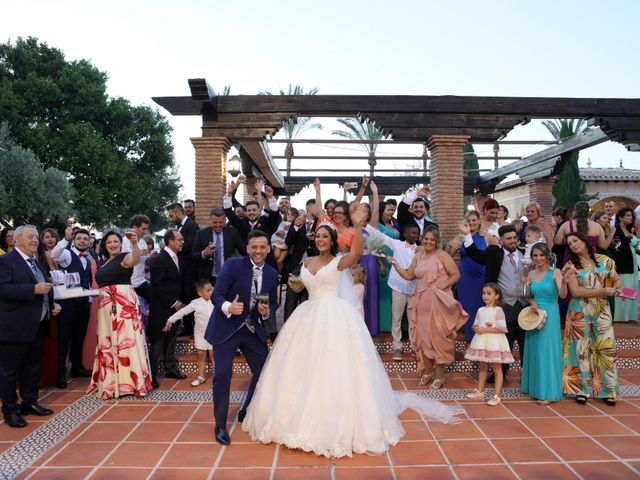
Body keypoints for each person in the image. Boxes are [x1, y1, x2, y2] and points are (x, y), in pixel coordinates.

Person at [242, 207, 463, 458]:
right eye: (318, 236)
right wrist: (297, 282)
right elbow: (303, 283)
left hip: (333, 317)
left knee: (332, 366)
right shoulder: (306, 262)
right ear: (314, 239)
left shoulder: (339, 261)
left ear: (332, 240)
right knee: (300, 365)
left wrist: (357, 226)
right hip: (308, 315)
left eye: (326, 236)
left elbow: (357, 252)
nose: (322, 239)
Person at [205, 230, 279, 446]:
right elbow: (216, 295)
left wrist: (266, 311)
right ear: (248, 248)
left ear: (268, 249)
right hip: (227, 328)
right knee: (223, 375)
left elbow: (274, 302)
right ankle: (220, 425)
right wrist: (229, 306)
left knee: (264, 370)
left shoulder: (273, 274)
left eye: (262, 247)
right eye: (254, 247)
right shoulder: (233, 265)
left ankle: (246, 409)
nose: (258, 251)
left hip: (252, 330)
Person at [388, 226, 468, 389]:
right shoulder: (418, 256)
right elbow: (409, 275)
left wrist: (441, 285)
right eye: (426, 239)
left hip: (439, 303)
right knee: (424, 339)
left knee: (438, 338)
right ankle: (428, 372)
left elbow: (456, 275)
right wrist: (395, 264)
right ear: (422, 239)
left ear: (436, 241)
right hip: (421, 303)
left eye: (432, 239)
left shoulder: (442, 255)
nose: (429, 242)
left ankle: (440, 376)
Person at [0, 225, 58, 428]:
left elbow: (45, 288)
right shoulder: (5, 261)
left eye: (36, 237)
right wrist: (32, 289)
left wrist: (52, 304)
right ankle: (9, 410)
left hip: (38, 325)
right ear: (17, 241)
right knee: (9, 372)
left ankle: (30, 402)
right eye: (30, 237)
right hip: (14, 327)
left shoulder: (38, 262)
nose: (35, 240)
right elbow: (3, 288)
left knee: (33, 368)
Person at [87, 230, 152, 399]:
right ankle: (111, 381)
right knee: (108, 341)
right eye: (109, 242)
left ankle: (129, 383)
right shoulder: (103, 262)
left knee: (126, 340)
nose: (112, 244)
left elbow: (135, 258)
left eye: (115, 241)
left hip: (122, 303)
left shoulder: (125, 256)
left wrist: (135, 243)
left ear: (120, 243)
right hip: (106, 306)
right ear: (104, 245)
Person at [461, 223, 528, 382]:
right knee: (506, 340)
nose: (512, 241)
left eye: (514, 237)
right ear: (501, 240)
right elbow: (475, 254)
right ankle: (501, 374)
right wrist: (467, 235)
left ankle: (527, 375)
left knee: (526, 341)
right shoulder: (494, 253)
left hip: (524, 303)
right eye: (508, 238)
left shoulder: (526, 253)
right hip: (505, 304)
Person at [562, 232, 621, 405]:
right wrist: (603, 291)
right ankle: (581, 389)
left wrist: (616, 289)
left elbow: (616, 280)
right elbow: (576, 292)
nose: (573, 244)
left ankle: (609, 390)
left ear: (585, 241)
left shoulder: (605, 260)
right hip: (579, 311)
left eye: (575, 241)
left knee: (605, 347)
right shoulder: (570, 266)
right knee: (580, 350)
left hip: (601, 310)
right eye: (569, 243)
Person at [520, 243, 567, 404]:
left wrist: (565, 283)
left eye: (541, 255)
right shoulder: (531, 273)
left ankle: (547, 391)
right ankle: (533, 387)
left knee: (546, 351)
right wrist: (531, 301)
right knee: (534, 349)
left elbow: (562, 295)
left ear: (547, 256)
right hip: (534, 313)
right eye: (535, 255)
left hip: (551, 314)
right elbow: (527, 294)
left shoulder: (556, 272)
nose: (538, 258)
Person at [50, 227, 96, 388]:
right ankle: (60, 374)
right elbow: (54, 254)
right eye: (79, 239)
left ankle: (76, 368)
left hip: (83, 303)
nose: (82, 241)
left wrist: (89, 299)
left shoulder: (89, 258)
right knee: (64, 339)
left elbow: (88, 280)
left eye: (85, 238)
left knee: (79, 337)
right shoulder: (67, 255)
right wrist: (65, 239)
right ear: (74, 241)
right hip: (68, 303)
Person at [367, 223, 419, 361]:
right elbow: (380, 236)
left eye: (417, 233)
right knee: (396, 318)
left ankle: (414, 346)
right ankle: (397, 346)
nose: (416, 235)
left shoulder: (420, 249)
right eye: (413, 233)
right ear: (406, 234)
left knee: (413, 319)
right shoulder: (397, 244)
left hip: (414, 288)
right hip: (398, 287)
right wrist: (365, 225)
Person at [148, 229, 187, 387]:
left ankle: (170, 368)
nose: (182, 242)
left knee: (171, 338)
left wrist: (179, 302)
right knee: (158, 340)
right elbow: (157, 286)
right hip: (162, 307)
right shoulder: (160, 259)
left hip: (174, 307)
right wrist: (173, 302)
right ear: (170, 241)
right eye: (179, 239)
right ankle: (151, 375)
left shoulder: (176, 257)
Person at [465, 283, 514, 406]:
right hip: (482, 341)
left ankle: (496, 395)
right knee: (483, 367)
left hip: (494, 342)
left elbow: (502, 328)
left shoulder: (498, 310)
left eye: (489, 293)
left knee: (497, 368)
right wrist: (475, 327)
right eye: (483, 293)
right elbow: (476, 323)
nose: (485, 296)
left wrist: (486, 329)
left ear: (496, 296)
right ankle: (480, 391)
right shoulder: (480, 310)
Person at [449, 210, 491, 342]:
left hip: (482, 278)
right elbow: (449, 254)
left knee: (482, 308)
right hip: (466, 279)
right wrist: (451, 245)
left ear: (479, 221)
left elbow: (495, 254)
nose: (472, 223)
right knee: (467, 309)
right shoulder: (460, 237)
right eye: (469, 220)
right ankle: (470, 339)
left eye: (474, 220)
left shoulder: (486, 237)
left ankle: (482, 340)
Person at [164, 279, 214, 387]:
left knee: (214, 355)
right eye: (208, 290)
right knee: (201, 355)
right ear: (199, 292)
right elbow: (183, 311)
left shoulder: (216, 300)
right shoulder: (195, 303)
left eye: (212, 289)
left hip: (214, 333)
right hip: (200, 334)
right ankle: (201, 377)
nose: (211, 292)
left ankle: (218, 377)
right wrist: (171, 319)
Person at [167, 202, 200, 336]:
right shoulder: (179, 227)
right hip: (183, 271)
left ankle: (193, 329)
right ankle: (187, 327)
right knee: (184, 298)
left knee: (190, 298)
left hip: (190, 271)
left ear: (178, 212)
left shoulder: (191, 226)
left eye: (171, 215)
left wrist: (173, 246)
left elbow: (191, 246)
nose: (170, 218)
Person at [369, 181, 397, 334]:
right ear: (381, 211)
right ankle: (383, 325)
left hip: (395, 262)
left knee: (394, 294)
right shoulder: (377, 227)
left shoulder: (395, 224)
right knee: (383, 294)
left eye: (393, 210)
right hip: (383, 262)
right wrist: (380, 263)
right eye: (388, 210)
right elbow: (374, 246)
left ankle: (393, 325)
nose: (391, 212)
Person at [192, 208, 246, 286]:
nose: (218, 225)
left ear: (224, 220)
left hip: (229, 275)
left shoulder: (232, 232)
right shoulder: (201, 234)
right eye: (215, 222)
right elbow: (193, 255)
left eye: (220, 222)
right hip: (209, 278)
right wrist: (204, 253)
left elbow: (243, 249)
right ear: (210, 220)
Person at [611, 207, 638, 322]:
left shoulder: (631, 230)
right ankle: (619, 316)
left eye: (631, 215)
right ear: (620, 218)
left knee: (631, 289)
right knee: (623, 289)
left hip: (632, 263)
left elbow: (636, 247)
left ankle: (629, 316)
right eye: (627, 215)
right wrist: (630, 238)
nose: (630, 217)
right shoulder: (616, 230)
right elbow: (617, 249)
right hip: (622, 265)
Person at [122, 214, 152, 302]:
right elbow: (122, 261)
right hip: (127, 283)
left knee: (155, 300)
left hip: (140, 281)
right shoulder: (123, 241)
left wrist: (152, 258)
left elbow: (146, 263)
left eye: (146, 228)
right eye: (143, 229)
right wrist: (137, 253)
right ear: (135, 228)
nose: (145, 232)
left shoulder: (143, 242)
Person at [271, 207, 297, 272]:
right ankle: (273, 272)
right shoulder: (283, 223)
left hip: (286, 245)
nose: (289, 216)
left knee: (279, 261)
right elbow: (279, 231)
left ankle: (279, 275)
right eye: (288, 214)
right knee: (276, 256)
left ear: (295, 216)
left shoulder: (295, 226)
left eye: (292, 215)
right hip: (278, 242)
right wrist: (280, 233)